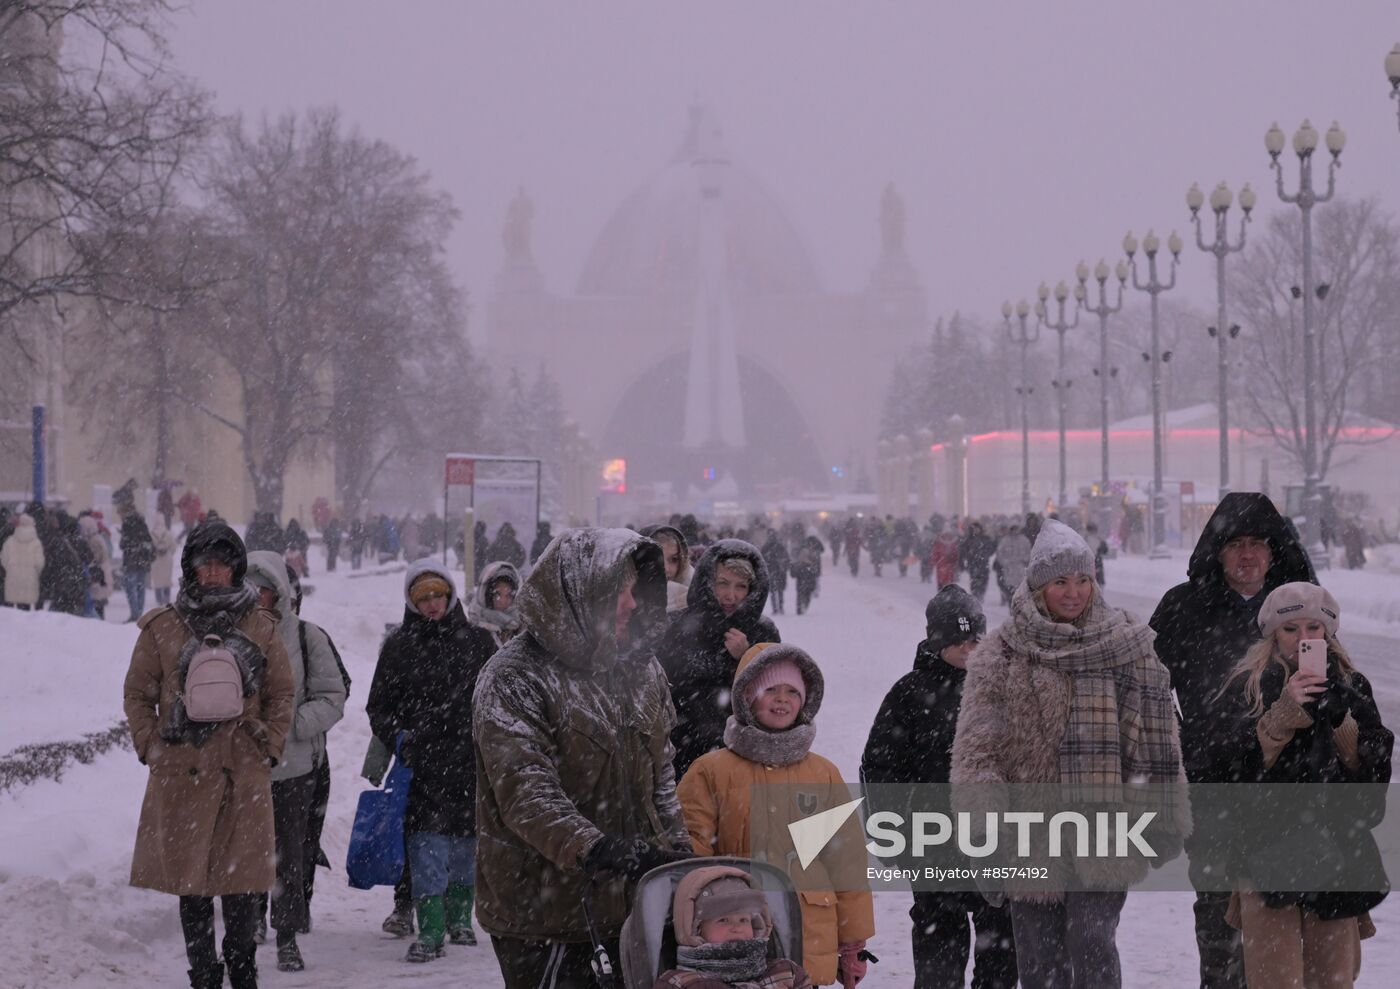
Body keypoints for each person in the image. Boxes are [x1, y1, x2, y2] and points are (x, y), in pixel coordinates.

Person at [951, 519, 1189, 989]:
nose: (1074, 592)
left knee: (1092, 941)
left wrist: (1163, 817)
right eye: (1060, 581)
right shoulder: (1001, 654)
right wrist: (985, 827)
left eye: (1083, 580)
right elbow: (978, 752)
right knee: (1039, 961)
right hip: (1029, 831)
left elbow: (1156, 741)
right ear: (1038, 585)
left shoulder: (1127, 645)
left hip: (1103, 827)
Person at [473, 528, 693, 988]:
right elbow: (526, 793)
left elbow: (662, 773)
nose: (632, 604)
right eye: (619, 591)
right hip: (544, 913)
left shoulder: (640, 668)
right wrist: (596, 848)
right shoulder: (514, 677)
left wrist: (678, 853)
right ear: (579, 593)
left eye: (636, 590)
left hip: (634, 903)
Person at [1149, 491, 1315, 989]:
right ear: (1217, 550)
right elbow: (1146, 687)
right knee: (1219, 918)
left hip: (1287, 788)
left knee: (1279, 920)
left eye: (1258, 544)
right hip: (1212, 786)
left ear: (1274, 550)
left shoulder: (1299, 609)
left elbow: (1334, 688)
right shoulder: (1184, 607)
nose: (1248, 555)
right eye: (1236, 544)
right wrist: (1177, 745)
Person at [122, 521, 294, 989]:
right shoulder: (163, 627)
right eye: (205, 564)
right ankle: (203, 974)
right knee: (191, 886)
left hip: (243, 772)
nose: (213, 573)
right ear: (191, 569)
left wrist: (269, 743)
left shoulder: (261, 626)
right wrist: (151, 747)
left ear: (236, 569)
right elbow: (138, 694)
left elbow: (282, 693)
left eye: (222, 564)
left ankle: (242, 969)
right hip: (183, 772)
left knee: (240, 886)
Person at [1212, 583, 1391, 988]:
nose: (1304, 638)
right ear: (1273, 632)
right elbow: (1230, 778)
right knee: (1274, 979)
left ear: (1329, 633)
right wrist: (1281, 715)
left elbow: (1370, 795)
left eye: (1314, 627)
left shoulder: (1352, 685)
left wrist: (1343, 723)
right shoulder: (1249, 685)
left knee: (1333, 980)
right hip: (1265, 859)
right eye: (1291, 628)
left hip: (1337, 857)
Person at [679, 642, 876, 986]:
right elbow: (692, 856)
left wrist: (853, 942)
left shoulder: (822, 773)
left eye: (792, 691)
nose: (782, 699)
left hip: (810, 933)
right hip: (738, 934)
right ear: (747, 697)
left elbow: (846, 862)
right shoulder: (711, 771)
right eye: (770, 689)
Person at [861, 586, 1016, 989]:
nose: (968, 650)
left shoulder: (1001, 689)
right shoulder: (909, 693)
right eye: (957, 641)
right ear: (936, 641)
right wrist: (887, 832)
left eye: (975, 640)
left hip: (995, 839)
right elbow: (880, 767)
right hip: (931, 839)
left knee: (1001, 944)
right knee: (938, 943)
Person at [368, 560, 498, 962]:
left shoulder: (478, 642)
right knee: (426, 848)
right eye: (422, 598)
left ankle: (461, 919)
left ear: (451, 596)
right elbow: (379, 706)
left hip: (468, 763)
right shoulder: (398, 647)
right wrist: (401, 740)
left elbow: (497, 697)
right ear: (411, 601)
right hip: (421, 767)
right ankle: (431, 930)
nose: (431, 604)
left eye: (437, 595)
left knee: (464, 846)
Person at [244, 552, 347, 972]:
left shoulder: (307, 636)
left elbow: (332, 696)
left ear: (279, 594)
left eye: (262, 590)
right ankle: (249, 923)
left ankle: (286, 933)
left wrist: (290, 726)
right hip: (246, 766)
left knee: (289, 854)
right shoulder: (230, 636)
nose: (255, 599)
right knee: (248, 852)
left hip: (294, 767)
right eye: (247, 590)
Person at [659, 540, 781, 780]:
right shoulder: (676, 627)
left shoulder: (763, 632)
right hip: (683, 750)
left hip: (743, 752)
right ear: (707, 582)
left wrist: (746, 658)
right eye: (722, 583)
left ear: (753, 590)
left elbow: (775, 695)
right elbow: (663, 691)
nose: (731, 595)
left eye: (741, 586)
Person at [651, 866, 813, 989]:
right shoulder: (680, 983)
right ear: (696, 929)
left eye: (743, 919)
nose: (736, 927)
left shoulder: (786, 973)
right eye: (723, 920)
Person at [466, 561, 523, 649]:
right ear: (486, 594)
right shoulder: (470, 631)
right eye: (497, 594)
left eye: (509, 595)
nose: (503, 601)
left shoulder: (523, 629)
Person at [641, 523, 694, 613]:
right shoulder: (622, 603)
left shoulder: (694, 597)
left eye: (674, 559)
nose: (666, 569)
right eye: (655, 560)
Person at [118, 502, 155, 621]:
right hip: (143, 560)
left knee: (130, 588)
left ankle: (134, 614)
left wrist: (128, 545)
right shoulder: (142, 523)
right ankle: (139, 613)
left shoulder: (127, 524)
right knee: (140, 587)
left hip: (131, 561)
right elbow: (148, 541)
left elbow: (123, 544)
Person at [1, 513, 44, 610]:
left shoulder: (9, 541)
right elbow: (39, 563)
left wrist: (10, 569)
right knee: (25, 609)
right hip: (30, 578)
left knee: (11, 612)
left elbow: (3, 559)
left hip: (13, 577)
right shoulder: (36, 543)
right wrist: (35, 572)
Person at [79, 514, 112, 619]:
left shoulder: (94, 541)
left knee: (98, 604)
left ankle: (99, 626)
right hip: (102, 575)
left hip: (99, 576)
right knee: (99, 604)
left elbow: (95, 559)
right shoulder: (98, 538)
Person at [992, 524, 1031, 607]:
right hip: (1009, 570)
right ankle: (1012, 607)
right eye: (1013, 529)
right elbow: (999, 553)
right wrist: (1005, 563)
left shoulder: (1024, 540)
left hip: (1021, 569)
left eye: (1016, 529)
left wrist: (1025, 560)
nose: (1015, 531)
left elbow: (1029, 552)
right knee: (1010, 590)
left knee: (1021, 591)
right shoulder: (1005, 541)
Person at [959, 521, 996, 602]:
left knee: (984, 580)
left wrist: (986, 554)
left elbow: (992, 548)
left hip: (983, 563)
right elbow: (963, 551)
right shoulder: (968, 539)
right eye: (974, 529)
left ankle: (981, 594)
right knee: (974, 580)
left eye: (977, 528)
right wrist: (962, 562)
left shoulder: (985, 538)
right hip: (972, 564)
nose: (976, 530)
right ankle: (975, 595)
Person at [791, 534, 824, 616]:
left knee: (802, 591)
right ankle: (802, 606)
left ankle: (800, 607)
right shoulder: (815, 549)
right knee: (806, 591)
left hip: (803, 572)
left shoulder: (812, 548)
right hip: (807, 572)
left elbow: (795, 557)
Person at [150, 512, 178, 606]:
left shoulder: (151, 534)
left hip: (156, 559)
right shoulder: (168, 533)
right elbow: (174, 547)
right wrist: (169, 553)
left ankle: (159, 599)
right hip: (167, 559)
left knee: (157, 580)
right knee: (166, 579)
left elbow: (149, 547)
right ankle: (167, 598)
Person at [762, 528, 791, 615]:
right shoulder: (779, 546)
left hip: (772, 570)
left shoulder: (766, 547)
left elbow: (761, 559)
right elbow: (786, 558)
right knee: (779, 590)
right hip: (778, 571)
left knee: (774, 590)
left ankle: (776, 608)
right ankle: (780, 607)